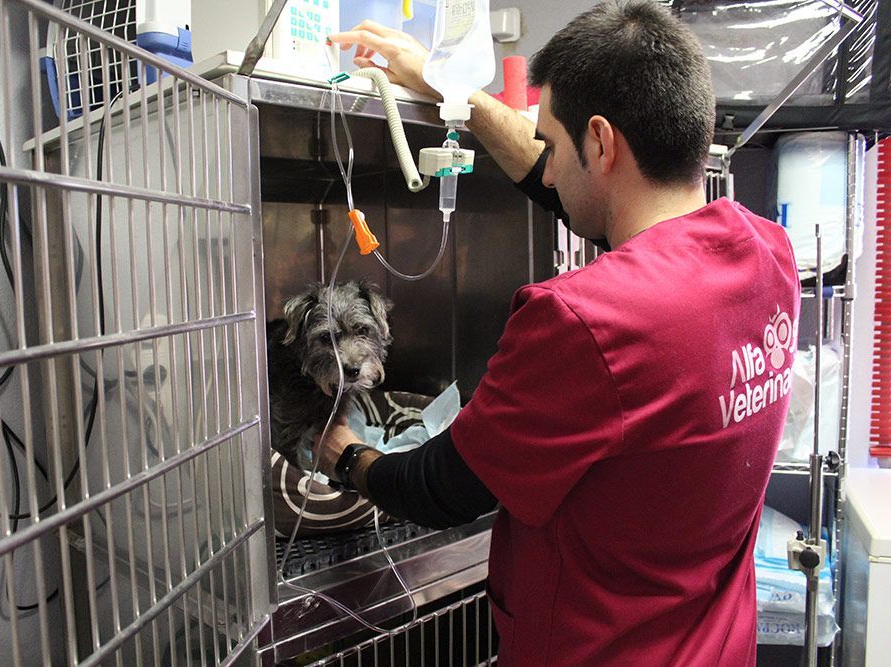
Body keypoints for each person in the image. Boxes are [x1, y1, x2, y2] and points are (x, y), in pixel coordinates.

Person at [316, 2, 800, 664]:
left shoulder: (582, 322)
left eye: (551, 144)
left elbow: (444, 486)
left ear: (600, 143)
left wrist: (343, 453)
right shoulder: (769, 256)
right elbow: (596, 210)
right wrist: (459, 95)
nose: (543, 170)